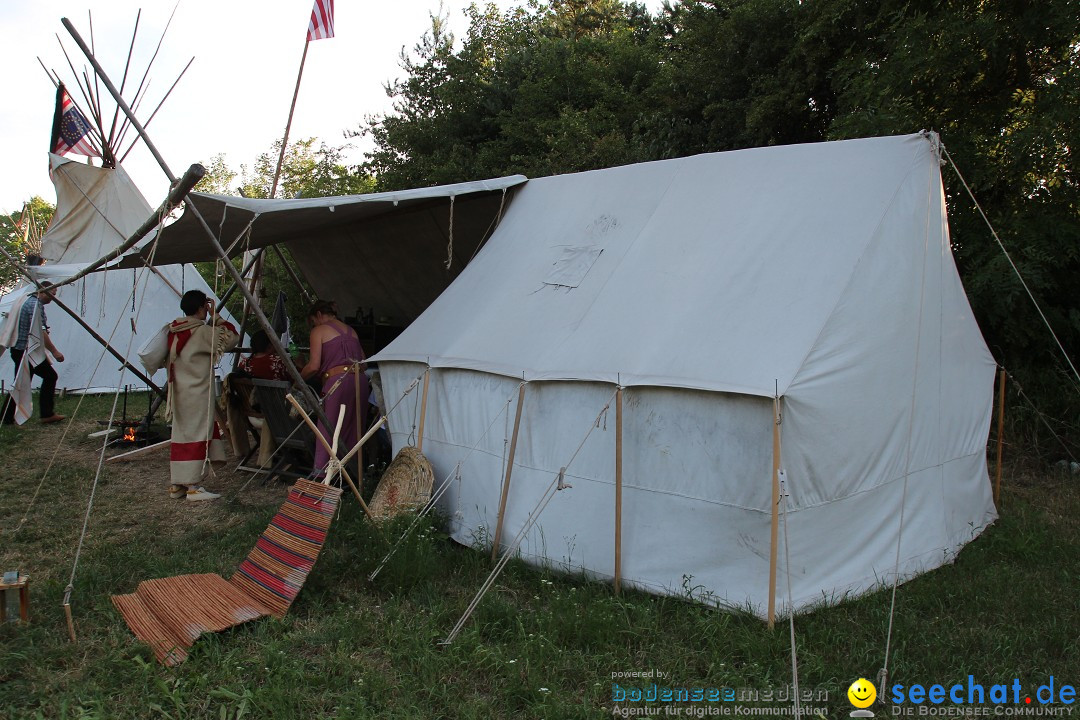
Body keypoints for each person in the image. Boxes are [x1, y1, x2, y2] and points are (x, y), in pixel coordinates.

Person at [166, 289, 239, 501]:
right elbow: (232, 337)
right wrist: (216, 316)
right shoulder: (201, 332)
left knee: (181, 434)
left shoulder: (173, 330)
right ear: (201, 308)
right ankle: (192, 486)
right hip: (197, 392)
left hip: (179, 390)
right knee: (196, 435)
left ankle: (177, 484)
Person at [299, 300, 369, 479]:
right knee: (355, 425)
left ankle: (322, 473)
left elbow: (313, 366)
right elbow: (364, 362)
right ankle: (352, 472)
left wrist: (298, 376)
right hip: (359, 381)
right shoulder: (351, 331)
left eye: (313, 321)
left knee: (328, 425)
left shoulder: (319, 331)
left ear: (319, 315)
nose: (314, 325)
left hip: (337, 382)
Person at [0, 281, 65, 424]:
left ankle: (6, 417)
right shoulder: (35, 306)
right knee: (49, 376)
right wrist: (54, 352)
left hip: (21, 350)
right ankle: (46, 414)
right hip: (27, 352)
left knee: (22, 383)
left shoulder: (27, 301)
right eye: (52, 294)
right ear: (43, 291)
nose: (52, 298)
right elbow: (40, 332)